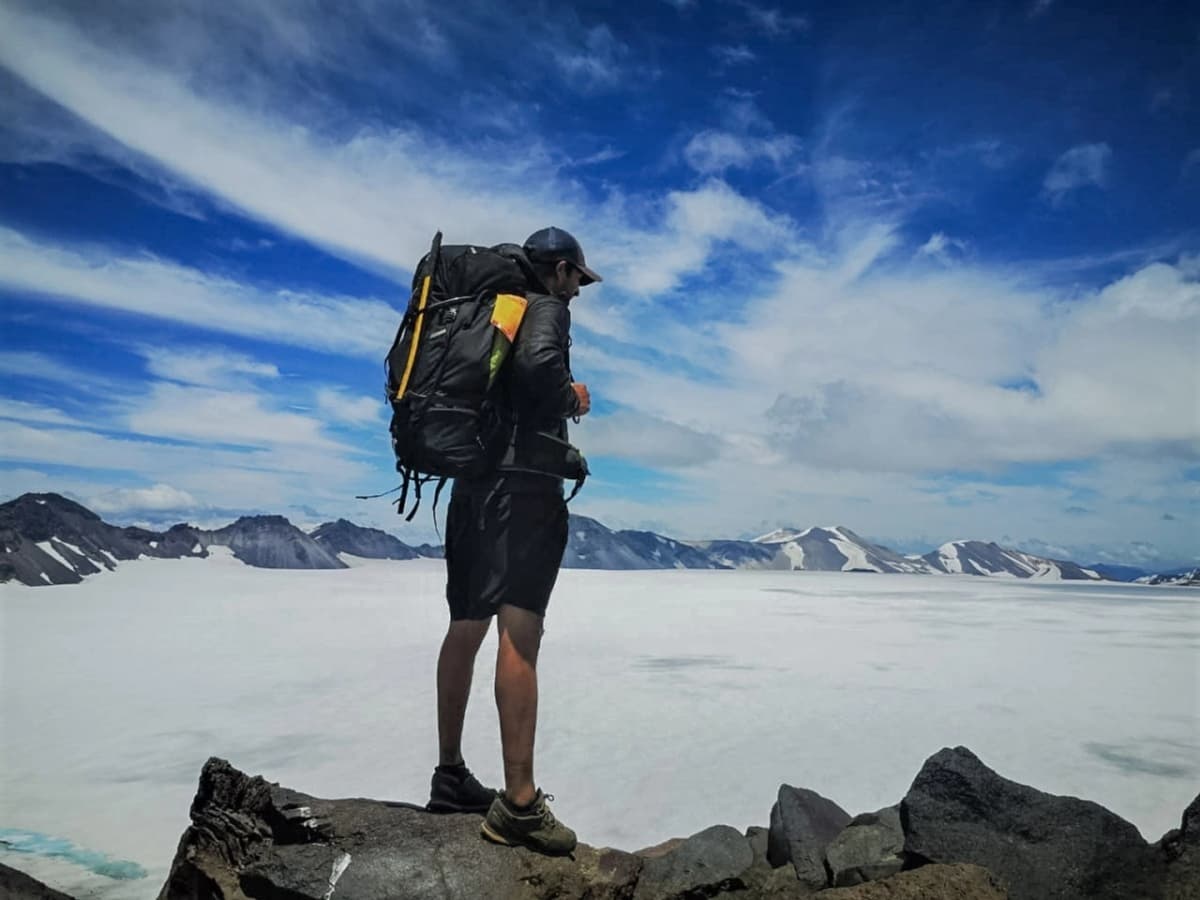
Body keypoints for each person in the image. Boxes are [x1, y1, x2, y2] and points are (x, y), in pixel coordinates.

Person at [426, 226, 601, 856]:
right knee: (519, 632)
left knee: (465, 622)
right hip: (521, 491)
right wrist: (569, 398)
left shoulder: (488, 312)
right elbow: (536, 367)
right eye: (577, 280)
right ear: (559, 270)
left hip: (472, 483)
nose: (578, 293)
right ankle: (520, 805)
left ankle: (449, 775)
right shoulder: (543, 305)